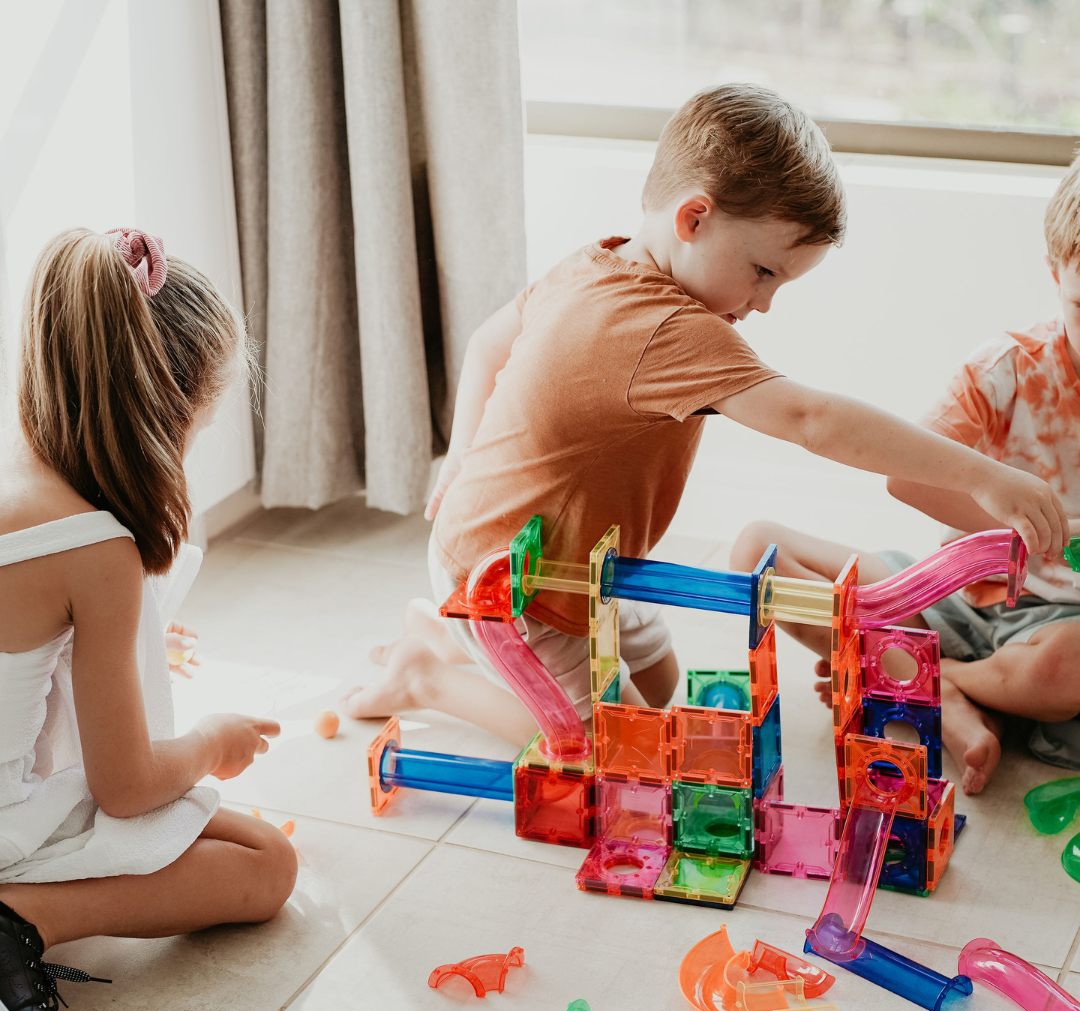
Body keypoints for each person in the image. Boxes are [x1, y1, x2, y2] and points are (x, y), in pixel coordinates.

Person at [344, 84, 1068, 755]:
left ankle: (446, 639)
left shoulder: (594, 262)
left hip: (587, 564)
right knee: (613, 753)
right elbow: (810, 417)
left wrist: (464, 454)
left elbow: (487, 344)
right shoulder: (668, 330)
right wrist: (985, 476)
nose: (764, 304)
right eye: (764, 273)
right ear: (694, 218)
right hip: (514, 583)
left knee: (660, 687)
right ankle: (426, 676)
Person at [0, 228, 296, 1011]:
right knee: (264, 862)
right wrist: (212, 740)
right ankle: (18, 921)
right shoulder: (96, 551)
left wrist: (115, 643)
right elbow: (125, 788)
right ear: (159, 420)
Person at [732, 152, 1080, 797]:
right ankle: (935, 685)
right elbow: (906, 478)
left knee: (1067, 669)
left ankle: (939, 683)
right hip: (959, 598)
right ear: (1055, 272)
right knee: (758, 550)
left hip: (1060, 638)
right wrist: (1020, 525)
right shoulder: (1007, 367)